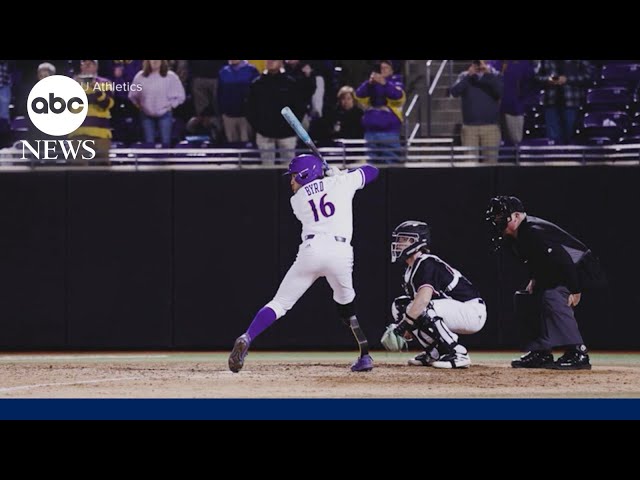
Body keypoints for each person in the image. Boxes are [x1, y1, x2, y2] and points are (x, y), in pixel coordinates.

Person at [228, 155, 379, 373]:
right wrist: (344, 174)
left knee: (279, 303)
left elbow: (318, 192)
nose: (291, 182)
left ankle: (247, 336)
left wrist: (336, 178)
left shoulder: (297, 201)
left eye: (294, 177)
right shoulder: (340, 183)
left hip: (311, 251)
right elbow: (373, 170)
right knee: (347, 306)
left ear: (306, 175)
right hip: (340, 253)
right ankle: (364, 355)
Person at [485, 196, 605, 370]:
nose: (497, 221)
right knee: (524, 298)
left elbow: (564, 260)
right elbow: (540, 260)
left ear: (516, 216)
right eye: (495, 217)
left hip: (582, 270)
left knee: (552, 295)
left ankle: (577, 352)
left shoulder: (533, 230)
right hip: (564, 270)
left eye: (500, 216)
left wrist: (575, 290)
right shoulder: (519, 234)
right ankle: (540, 352)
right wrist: (535, 279)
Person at [381, 221, 486, 368]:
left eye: (402, 240)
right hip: (454, 308)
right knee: (400, 305)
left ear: (415, 241)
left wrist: (402, 326)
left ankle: (457, 352)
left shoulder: (426, 262)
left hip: (472, 311)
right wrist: (405, 328)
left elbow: (423, 300)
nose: (398, 244)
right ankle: (435, 352)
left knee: (420, 307)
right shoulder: (411, 269)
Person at [450, 60, 503, 163]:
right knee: (470, 165)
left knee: (491, 164)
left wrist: (488, 74)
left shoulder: (494, 74)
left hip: (490, 128)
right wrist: (468, 76)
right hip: (469, 128)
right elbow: (454, 92)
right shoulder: (464, 76)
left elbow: (500, 92)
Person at [355, 60, 405, 163]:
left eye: (385, 68)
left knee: (390, 164)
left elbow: (398, 97)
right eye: (381, 68)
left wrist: (385, 84)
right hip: (370, 132)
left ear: (392, 70)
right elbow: (358, 96)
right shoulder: (371, 85)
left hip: (389, 132)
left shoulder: (396, 82)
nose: (382, 70)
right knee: (371, 165)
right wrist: (369, 84)